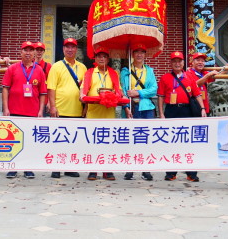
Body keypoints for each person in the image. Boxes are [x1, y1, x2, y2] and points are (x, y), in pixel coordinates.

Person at [81, 46, 130, 180]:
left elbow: (119, 91)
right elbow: (83, 90)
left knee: (108, 143)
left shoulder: (113, 73)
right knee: (93, 143)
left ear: (108, 59)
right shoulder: (90, 72)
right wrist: (83, 96)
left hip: (108, 114)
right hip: (93, 113)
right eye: (99, 56)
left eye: (104, 56)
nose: (102, 59)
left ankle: (107, 170)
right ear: (95, 58)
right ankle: (93, 170)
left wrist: (116, 96)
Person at [157, 51, 206, 182]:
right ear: (171, 63)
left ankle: (191, 173)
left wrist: (202, 109)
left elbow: (197, 94)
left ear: (183, 63)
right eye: (174, 61)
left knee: (189, 142)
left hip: (187, 111)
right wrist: (161, 113)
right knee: (170, 142)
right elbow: (161, 96)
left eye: (179, 61)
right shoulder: (165, 77)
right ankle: (171, 173)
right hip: (171, 110)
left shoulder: (189, 77)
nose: (177, 64)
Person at [2, 41, 47, 179]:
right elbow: (5, 88)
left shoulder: (39, 70)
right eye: (25, 50)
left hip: (32, 111)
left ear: (34, 53)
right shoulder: (12, 68)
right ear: (20, 52)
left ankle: (28, 167)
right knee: (13, 140)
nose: (28, 53)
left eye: (31, 50)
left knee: (29, 141)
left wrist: (41, 111)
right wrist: (5, 108)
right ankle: (13, 167)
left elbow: (43, 93)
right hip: (14, 110)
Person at [46, 37, 87, 179]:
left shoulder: (83, 68)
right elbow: (51, 88)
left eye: (73, 47)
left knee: (73, 141)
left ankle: (70, 168)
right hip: (60, 110)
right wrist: (53, 106)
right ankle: (56, 168)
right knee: (59, 141)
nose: (70, 50)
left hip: (77, 110)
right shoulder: (56, 66)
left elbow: (85, 89)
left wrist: (85, 107)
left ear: (76, 49)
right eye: (67, 47)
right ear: (63, 49)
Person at [120, 44, 157, 181]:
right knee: (129, 139)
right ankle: (129, 169)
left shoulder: (150, 71)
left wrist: (139, 93)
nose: (139, 55)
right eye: (136, 52)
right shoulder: (125, 71)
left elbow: (154, 89)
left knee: (146, 139)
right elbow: (122, 91)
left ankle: (146, 169)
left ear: (145, 55)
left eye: (142, 52)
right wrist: (126, 107)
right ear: (132, 54)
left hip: (146, 108)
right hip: (131, 108)